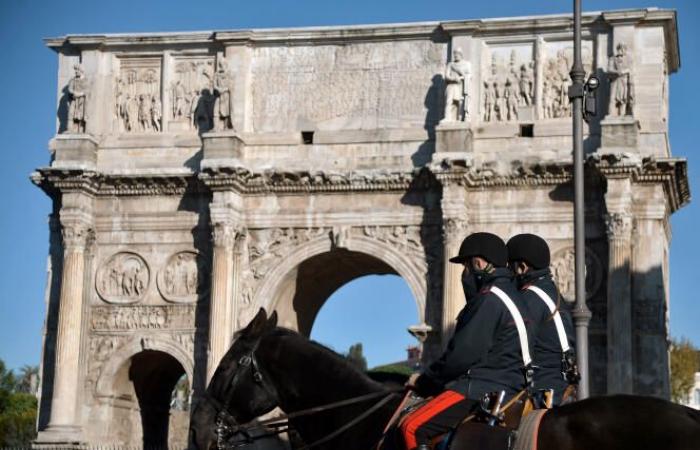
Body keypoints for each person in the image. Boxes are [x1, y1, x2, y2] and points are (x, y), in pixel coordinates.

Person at [400, 232, 532, 450]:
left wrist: (425, 382)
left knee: (410, 427)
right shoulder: (514, 296)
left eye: (466, 267)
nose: (464, 274)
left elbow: (461, 355)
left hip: (481, 387)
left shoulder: (489, 298)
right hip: (509, 386)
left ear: (478, 263)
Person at [506, 234, 578, 405]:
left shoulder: (529, 298)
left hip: (542, 390)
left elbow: (511, 346)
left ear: (522, 267)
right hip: (563, 387)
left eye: (509, 267)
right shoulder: (553, 294)